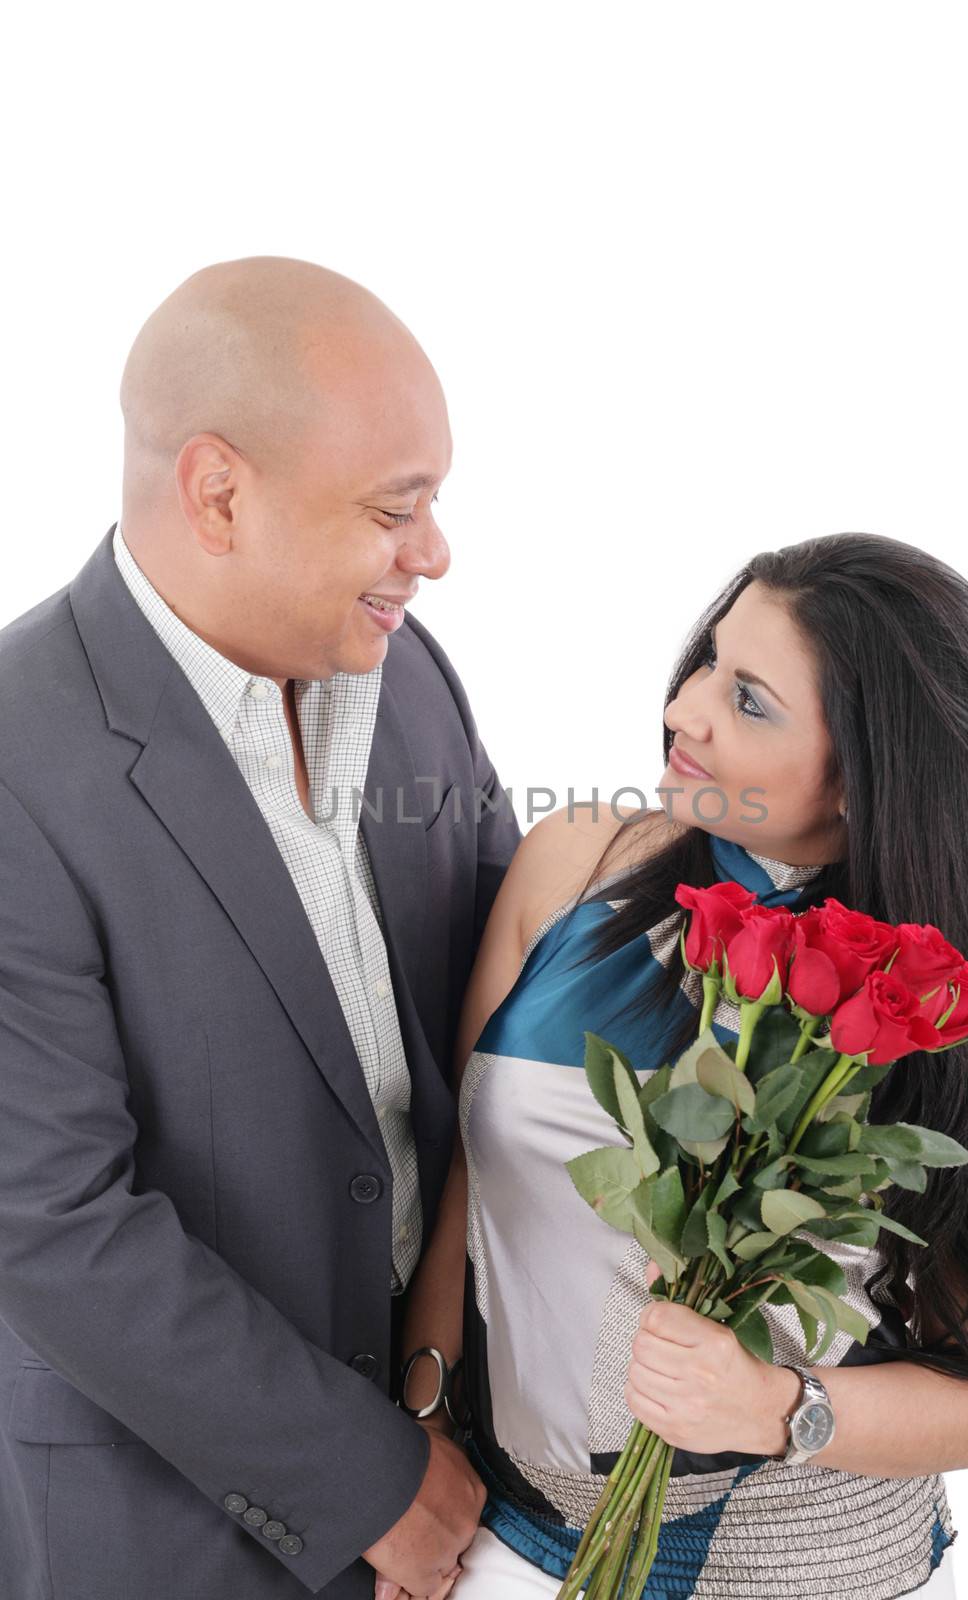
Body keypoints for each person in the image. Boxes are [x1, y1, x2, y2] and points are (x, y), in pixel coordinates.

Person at [395, 535, 968, 1600]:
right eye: (705, 660)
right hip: (513, 1532)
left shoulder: (935, 1006)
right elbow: (462, 1190)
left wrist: (772, 1405)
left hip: (810, 1570)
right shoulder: (577, 863)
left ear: (864, 779)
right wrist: (418, 1431)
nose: (684, 710)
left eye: (748, 698)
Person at [0, 256, 521, 1599]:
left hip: (470, 1490)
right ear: (218, 492)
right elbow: (49, 1222)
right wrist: (365, 1481)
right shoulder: (16, 758)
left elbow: (503, 1007)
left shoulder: (407, 676)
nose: (435, 553)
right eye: (394, 510)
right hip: (168, 1534)